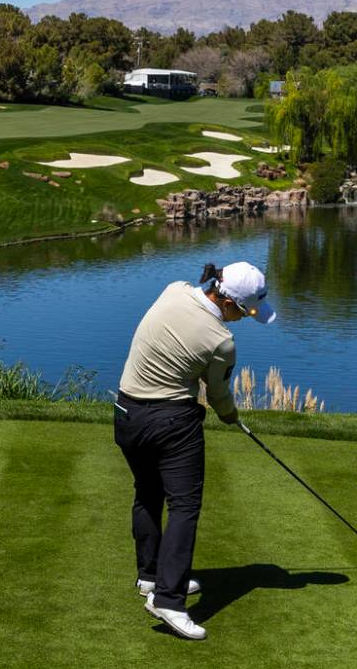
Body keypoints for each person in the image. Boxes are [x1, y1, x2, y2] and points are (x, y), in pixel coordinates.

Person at [114, 261, 275, 640]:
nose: (244, 320)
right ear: (231, 303)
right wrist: (232, 416)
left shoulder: (174, 289)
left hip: (125, 413)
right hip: (171, 422)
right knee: (185, 506)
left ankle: (151, 577)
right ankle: (168, 601)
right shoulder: (221, 341)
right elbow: (217, 394)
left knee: (148, 492)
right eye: (247, 312)